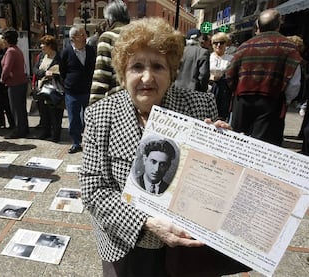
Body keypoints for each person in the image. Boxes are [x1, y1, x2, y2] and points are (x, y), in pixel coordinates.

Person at [79, 17, 249, 277]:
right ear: (123, 73)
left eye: (158, 66)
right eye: (137, 66)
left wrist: (225, 153)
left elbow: (219, 187)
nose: (147, 77)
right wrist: (145, 222)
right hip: (126, 245)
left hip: (186, 250)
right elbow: (93, 190)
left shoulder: (200, 105)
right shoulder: (101, 115)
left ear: (171, 73)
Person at [226, 9, 302, 146]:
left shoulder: (244, 46)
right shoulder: (289, 47)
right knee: (264, 147)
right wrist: (285, 99)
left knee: (237, 145)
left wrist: (239, 91)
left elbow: (229, 75)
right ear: (279, 25)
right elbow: (294, 83)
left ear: (258, 26)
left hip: (242, 102)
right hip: (271, 102)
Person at [60, 26, 96, 153]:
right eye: (82, 34)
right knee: (74, 119)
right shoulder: (66, 52)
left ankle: (88, 141)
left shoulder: (91, 50)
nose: (85, 36)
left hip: (88, 90)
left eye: (85, 34)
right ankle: (76, 143)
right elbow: (62, 71)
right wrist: (69, 83)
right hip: (72, 92)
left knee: (89, 117)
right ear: (74, 38)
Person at [89, 0, 130, 105]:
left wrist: (93, 107)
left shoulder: (108, 37)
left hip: (117, 102)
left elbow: (101, 76)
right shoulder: (140, 34)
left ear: (108, 20)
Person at [33, 35, 64, 142]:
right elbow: (35, 69)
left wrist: (54, 74)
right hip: (42, 88)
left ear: (50, 46)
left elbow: (63, 73)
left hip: (54, 89)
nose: (41, 46)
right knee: (43, 112)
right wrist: (43, 73)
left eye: (43, 44)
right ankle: (45, 132)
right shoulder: (41, 56)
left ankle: (56, 135)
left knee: (55, 113)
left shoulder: (59, 57)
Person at [1, 29, 29, 139]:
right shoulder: (17, 50)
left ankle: (19, 130)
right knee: (21, 108)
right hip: (21, 83)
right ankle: (23, 128)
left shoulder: (10, 51)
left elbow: (7, 67)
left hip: (15, 84)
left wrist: (3, 78)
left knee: (16, 108)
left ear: (7, 40)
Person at [174, 28, 210, 92]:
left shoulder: (179, 51)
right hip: (193, 91)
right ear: (199, 38)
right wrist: (203, 91)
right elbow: (203, 75)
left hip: (176, 88)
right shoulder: (203, 52)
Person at [209, 32, 233, 121]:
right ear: (212, 44)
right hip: (210, 89)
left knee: (221, 118)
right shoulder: (208, 57)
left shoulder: (230, 58)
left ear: (226, 44)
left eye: (221, 42)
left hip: (224, 91)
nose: (218, 45)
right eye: (215, 43)